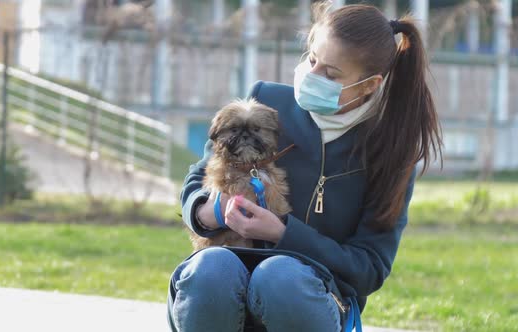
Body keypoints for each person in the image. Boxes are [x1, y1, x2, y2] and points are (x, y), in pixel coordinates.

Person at [167, 3, 442, 332]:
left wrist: (282, 233)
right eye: (312, 59)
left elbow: (369, 268)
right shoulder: (264, 103)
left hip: (312, 296)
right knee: (212, 267)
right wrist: (208, 210)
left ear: (369, 84)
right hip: (225, 278)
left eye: (330, 73)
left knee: (280, 277)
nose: (311, 76)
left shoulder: (392, 151)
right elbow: (198, 178)